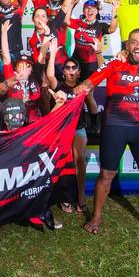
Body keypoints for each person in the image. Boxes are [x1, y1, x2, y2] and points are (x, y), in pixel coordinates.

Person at [75, 28, 139, 238]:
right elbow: (89, 83)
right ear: (127, 45)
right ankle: (96, 217)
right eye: (134, 42)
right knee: (106, 175)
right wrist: (75, 91)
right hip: (115, 126)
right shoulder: (115, 62)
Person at [46, 54, 89, 213]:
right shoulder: (59, 86)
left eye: (74, 68)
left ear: (79, 72)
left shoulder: (83, 87)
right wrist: (52, 55)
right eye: (67, 68)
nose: (71, 71)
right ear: (63, 72)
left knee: (79, 160)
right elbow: (50, 75)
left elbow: (98, 74)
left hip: (78, 128)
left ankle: (81, 197)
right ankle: (65, 197)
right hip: (62, 129)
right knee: (63, 161)